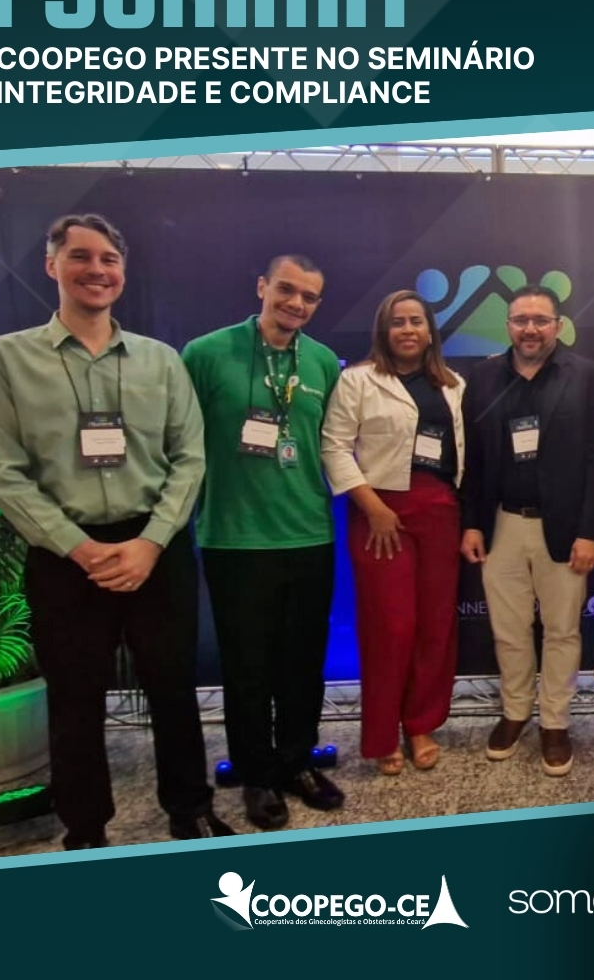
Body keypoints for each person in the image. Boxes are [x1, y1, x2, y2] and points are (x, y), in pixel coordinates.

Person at [0, 213, 233, 849]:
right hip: (64, 553)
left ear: (123, 271)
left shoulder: (159, 361)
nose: (96, 270)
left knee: (173, 689)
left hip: (154, 549)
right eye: (80, 256)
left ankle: (189, 808)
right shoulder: (4, 360)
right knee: (75, 698)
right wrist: (79, 548)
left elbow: (189, 457)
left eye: (109, 259)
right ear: (51, 265)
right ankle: (85, 828)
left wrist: (151, 542)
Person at [182, 254, 343, 832]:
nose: (296, 303)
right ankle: (257, 775)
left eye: (309, 296)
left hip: (308, 533)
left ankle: (297, 762)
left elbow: (333, 443)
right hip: (234, 538)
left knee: (303, 663)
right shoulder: (205, 354)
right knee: (247, 668)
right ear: (261, 287)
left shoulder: (322, 361)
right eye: (286, 290)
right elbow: (180, 440)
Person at [460, 285, 594, 776]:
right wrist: (471, 523)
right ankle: (514, 713)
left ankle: (554, 722)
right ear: (508, 325)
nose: (530, 329)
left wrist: (591, 531)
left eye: (541, 320)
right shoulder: (483, 377)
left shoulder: (586, 375)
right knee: (508, 630)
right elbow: (473, 458)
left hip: (565, 527)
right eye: (521, 320)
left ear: (558, 326)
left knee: (563, 630)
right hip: (501, 523)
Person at [321, 290, 465, 775]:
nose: (408, 330)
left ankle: (420, 724)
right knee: (390, 627)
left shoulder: (453, 384)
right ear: (384, 331)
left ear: (430, 331)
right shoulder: (357, 380)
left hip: (440, 511)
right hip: (380, 514)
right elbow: (334, 446)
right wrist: (373, 508)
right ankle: (383, 734)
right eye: (398, 322)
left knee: (434, 625)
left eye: (416, 321)